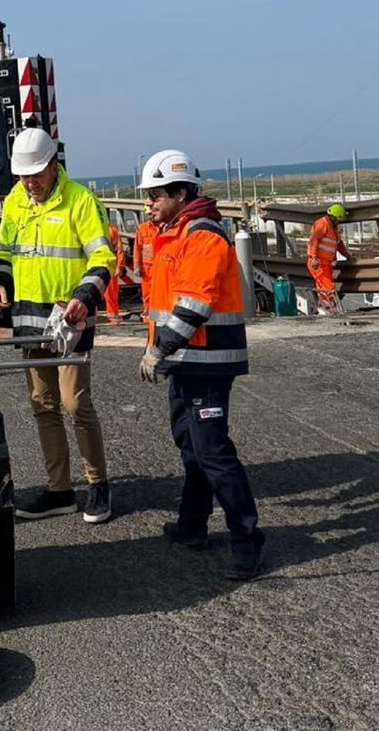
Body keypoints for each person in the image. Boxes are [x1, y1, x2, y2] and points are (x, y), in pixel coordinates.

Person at [138, 149, 264, 581]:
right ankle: (192, 524)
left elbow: (194, 304)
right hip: (187, 360)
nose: (149, 203)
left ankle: (247, 540)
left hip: (206, 361)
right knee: (191, 445)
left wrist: (159, 349)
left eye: (155, 195)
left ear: (179, 192)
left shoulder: (202, 235)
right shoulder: (176, 233)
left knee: (213, 452)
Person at [0, 127, 117, 524]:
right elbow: (2, 251)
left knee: (75, 404)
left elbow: (103, 258)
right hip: (30, 323)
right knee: (43, 406)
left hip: (69, 321)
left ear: (53, 164)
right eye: (24, 176)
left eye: (36, 174)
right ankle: (59, 490)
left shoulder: (80, 200)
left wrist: (83, 298)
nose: (30, 182)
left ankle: (98, 485)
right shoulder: (15, 201)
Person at [307, 203, 351, 312]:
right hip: (319, 263)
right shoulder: (322, 224)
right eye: (339, 219)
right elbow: (314, 240)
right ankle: (330, 310)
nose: (339, 222)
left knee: (324, 288)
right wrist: (314, 258)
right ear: (333, 217)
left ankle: (325, 309)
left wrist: (347, 256)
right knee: (327, 288)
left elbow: (339, 244)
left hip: (326, 263)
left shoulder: (333, 229)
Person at [132, 207, 157, 321]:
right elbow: (137, 249)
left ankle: (157, 314)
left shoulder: (163, 227)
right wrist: (137, 266)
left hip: (159, 266)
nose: (150, 216)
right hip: (147, 268)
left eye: (151, 213)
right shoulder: (142, 229)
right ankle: (148, 315)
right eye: (148, 214)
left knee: (159, 292)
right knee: (147, 294)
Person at [103, 215, 126, 322]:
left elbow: (119, 250)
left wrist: (119, 266)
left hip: (109, 264)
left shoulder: (111, 230)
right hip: (96, 263)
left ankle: (112, 316)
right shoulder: (90, 228)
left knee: (111, 293)